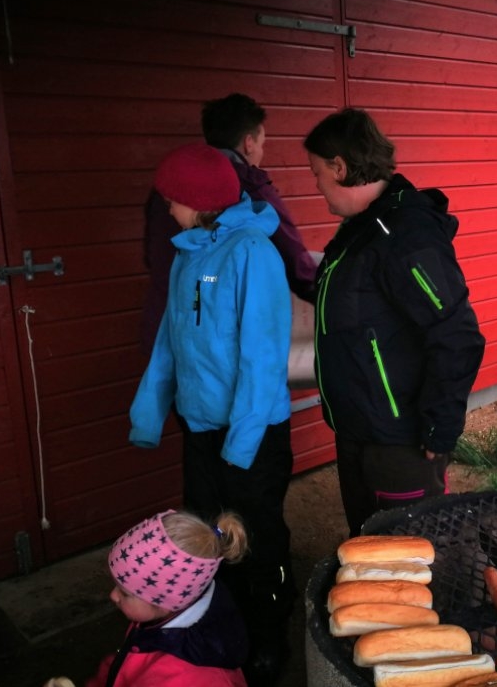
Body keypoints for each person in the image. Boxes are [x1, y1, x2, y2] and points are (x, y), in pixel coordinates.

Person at [128, 143, 295, 685]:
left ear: (199, 202)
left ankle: (269, 638)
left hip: (252, 432)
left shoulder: (251, 253)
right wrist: (150, 414)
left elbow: (263, 356)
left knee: (255, 538)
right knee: (203, 540)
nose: (165, 208)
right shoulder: (188, 254)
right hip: (200, 427)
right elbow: (169, 345)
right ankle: (217, 627)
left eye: (171, 199)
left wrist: (241, 446)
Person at [303, 107, 486, 536]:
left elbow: (457, 336)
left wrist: (440, 428)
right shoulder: (360, 230)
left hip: (400, 441)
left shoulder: (403, 235)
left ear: (340, 166)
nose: (316, 185)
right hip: (359, 429)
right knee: (368, 547)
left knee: (410, 554)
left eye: (316, 173)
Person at [140, 92, 318, 355]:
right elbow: (294, 261)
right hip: (218, 344)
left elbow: (151, 256)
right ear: (248, 143)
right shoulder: (249, 186)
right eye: (261, 143)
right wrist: (332, 298)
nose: (261, 152)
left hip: (164, 332)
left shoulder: (165, 190)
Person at [81, 509, 249, 686]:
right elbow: (127, 662)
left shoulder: (190, 680)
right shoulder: (158, 617)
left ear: (168, 602)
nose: (113, 595)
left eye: (125, 593)